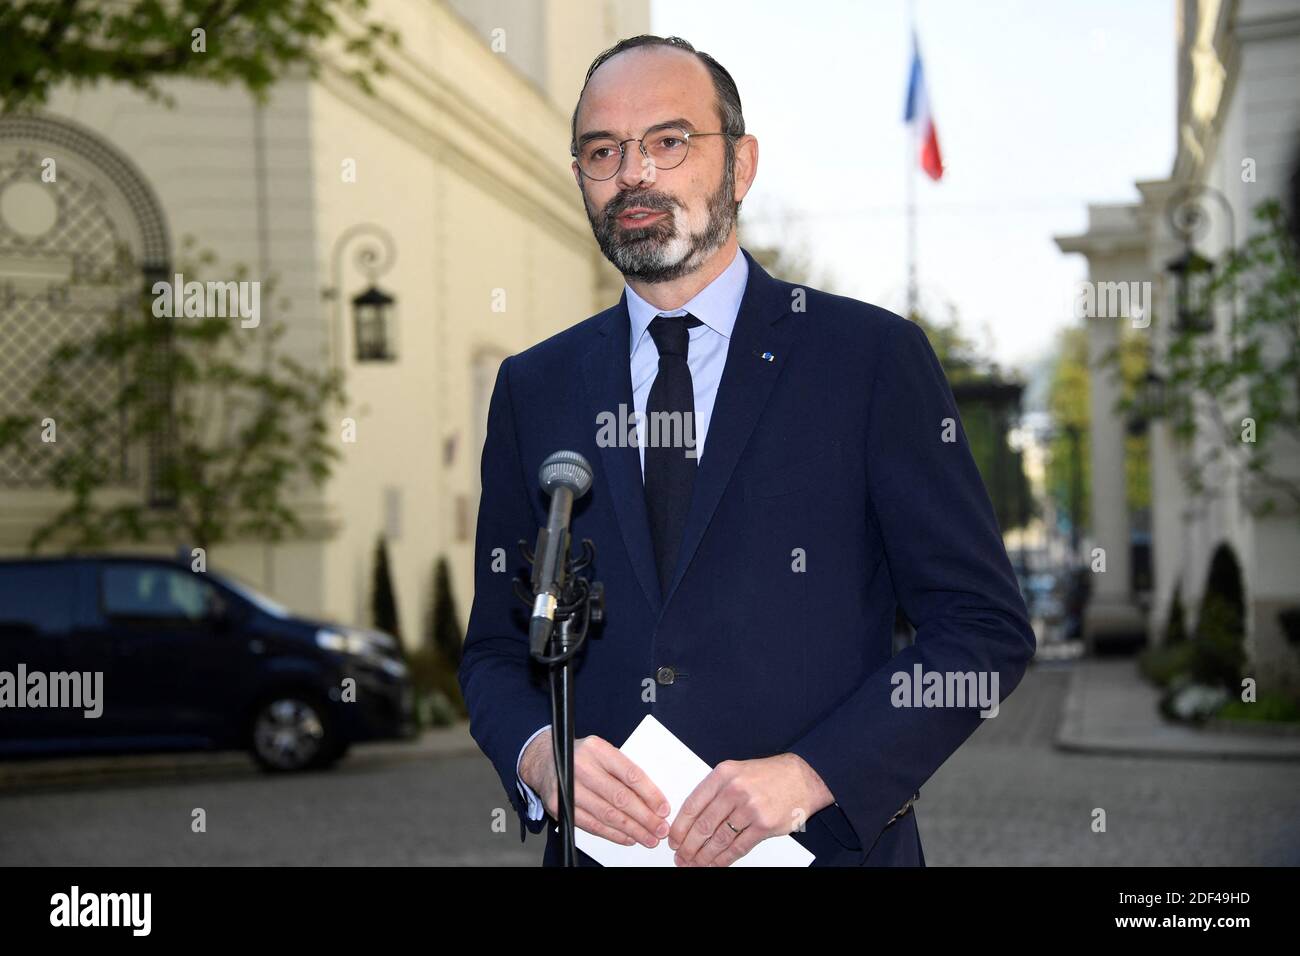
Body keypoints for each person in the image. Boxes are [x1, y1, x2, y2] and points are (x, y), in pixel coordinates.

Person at [458, 34, 1036, 867]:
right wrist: (538, 754)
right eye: (602, 151)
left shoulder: (868, 360)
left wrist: (813, 773)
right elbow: (493, 650)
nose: (634, 174)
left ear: (741, 163)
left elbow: (981, 631)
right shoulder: (534, 386)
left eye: (669, 141)